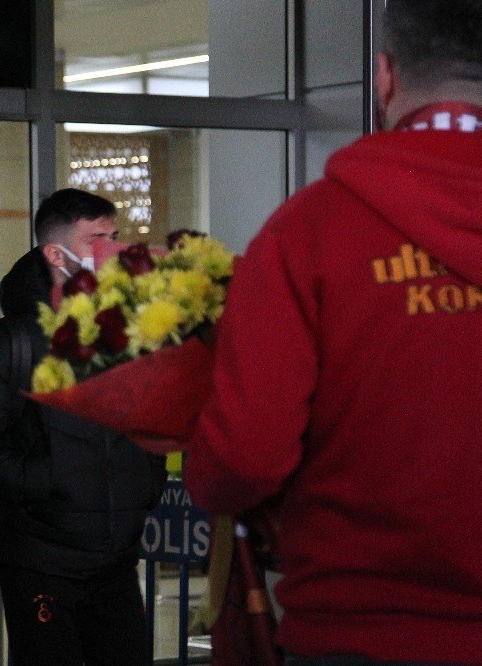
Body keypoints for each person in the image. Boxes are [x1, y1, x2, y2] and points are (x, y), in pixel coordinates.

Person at [185, 1, 482, 663]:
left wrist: (201, 461)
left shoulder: (308, 232)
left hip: (358, 634)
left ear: (383, 77)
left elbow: (244, 456)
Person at [0, 188, 169, 665]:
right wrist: (48, 481)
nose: (111, 251)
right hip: (39, 562)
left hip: (116, 561)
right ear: (55, 254)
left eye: (114, 237)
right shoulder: (16, 341)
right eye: (95, 240)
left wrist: (144, 485)